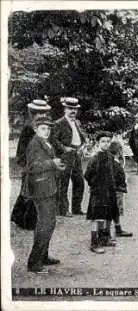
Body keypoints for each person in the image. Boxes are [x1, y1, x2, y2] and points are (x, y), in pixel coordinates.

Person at [23, 116, 66, 274]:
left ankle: (43, 256)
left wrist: (56, 167)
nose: (46, 131)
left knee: (49, 223)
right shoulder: (34, 143)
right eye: (43, 128)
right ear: (36, 129)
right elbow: (32, 167)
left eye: (48, 128)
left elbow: (46, 162)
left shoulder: (44, 142)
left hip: (48, 187)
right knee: (45, 224)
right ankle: (34, 263)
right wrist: (52, 163)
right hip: (40, 189)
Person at [11, 99, 52, 230]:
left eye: (44, 113)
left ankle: (18, 217)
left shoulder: (43, 128)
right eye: (39, 113)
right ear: (33, 114)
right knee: (29, 193)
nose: (42, 115)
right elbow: (22, 151)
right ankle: (27, 221)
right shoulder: (28, 130)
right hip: (30, 165)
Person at [49, 97, 87, 217]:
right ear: (65, 109)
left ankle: (77, 208)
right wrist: (64, 148)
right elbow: (53, 140)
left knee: (80, 182)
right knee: (63, 183)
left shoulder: (78, 122)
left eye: (75, 109)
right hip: (64, 156)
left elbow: (83, 138)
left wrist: (83, 147)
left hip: (76, 154)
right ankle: (63, 209)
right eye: (70, 108)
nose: (73, 111)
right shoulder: (58, 123)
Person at [84, 131, 119, 254]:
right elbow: (87, 175)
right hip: (98, 191)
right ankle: (94, 242)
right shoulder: (95, 159)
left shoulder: (110, 156)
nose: (105, 144)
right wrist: (95, 185)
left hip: (109, 190)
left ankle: (104, 238)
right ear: (98, 143)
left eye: (108, 141)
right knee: (97, 216)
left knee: (108, 214)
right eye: (103, 141)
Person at [108, 141, 133, 238]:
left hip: (118, 189)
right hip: (115, 189)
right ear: (119, 152)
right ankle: (107, 233)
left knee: (116, 210)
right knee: (113, 210)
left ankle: (118, 229)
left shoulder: (116, 161)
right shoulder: (113, 163)